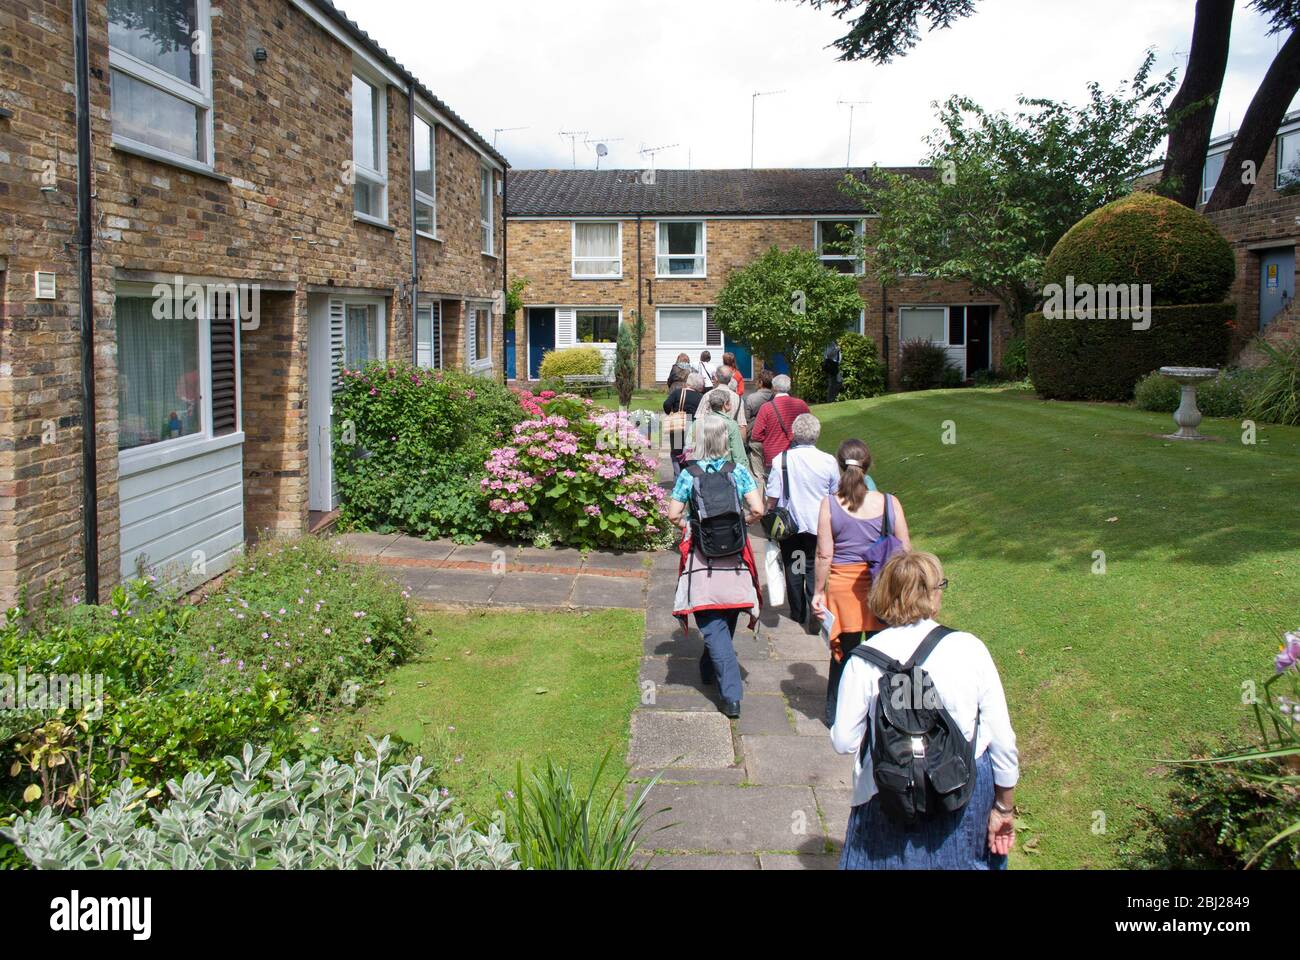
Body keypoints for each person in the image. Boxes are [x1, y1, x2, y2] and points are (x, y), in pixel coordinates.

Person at [831, 551, 1019, 870]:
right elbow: (1002, 739)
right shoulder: (969, 648)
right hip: (961, 789)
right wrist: (1004, 807)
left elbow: (844, 741)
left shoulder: (862, 661)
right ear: (933, 594)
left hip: (888, 793)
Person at [667, 417, 766, 719]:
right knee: (727, 612)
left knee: (711, 619)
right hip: (735, 557)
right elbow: (759, 509)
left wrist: (691, 526)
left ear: (699, 440)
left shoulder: (689, 474)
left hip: (704, 559)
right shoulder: (738, 473)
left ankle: (731, 696)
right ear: (725, 441)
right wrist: (742, 523)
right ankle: (710, 665)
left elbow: (673, 515)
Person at [812, 439, 912, 725]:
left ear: (839, 467)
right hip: (882, 588)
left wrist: (818, 591)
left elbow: (824, 553)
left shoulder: (830, 504)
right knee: (885, 656)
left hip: (844, 591)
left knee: (843, 657)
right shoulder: (890, 502)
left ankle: (837, 717)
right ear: (868, 466)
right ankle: (887, 717)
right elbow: (905, 549)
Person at [765, 414, 839, 632]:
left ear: (795, 434)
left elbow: (772, 495)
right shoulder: (828, 461)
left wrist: (768, 516)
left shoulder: (782, 460)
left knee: (793, 566)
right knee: (815, 565)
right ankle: (815, 608)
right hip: (820, 524)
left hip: (791, 524)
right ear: (817, 434)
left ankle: (798, 612)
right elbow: (835, 493)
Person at [749, 374, 810, 470]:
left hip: (774, 456)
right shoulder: (801, 405)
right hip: (799, 456)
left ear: (774, 388)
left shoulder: (766, 408)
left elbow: (756, 435)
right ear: (789, 387)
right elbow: (810, 428)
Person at [689, 388, 748, 467]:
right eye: (730, 402)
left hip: (701, 470)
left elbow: (689, 451)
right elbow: (739, 456)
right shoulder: (731, 425)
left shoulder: (697, 423)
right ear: (725, 404)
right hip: (724, 471)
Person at [663, 371, 704, 478]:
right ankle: (689, 478)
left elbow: (666, 404)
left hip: (678, 425)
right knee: (690, 453)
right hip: (693, 426)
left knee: (676, 453)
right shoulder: (701, 397)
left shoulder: (678, 393)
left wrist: (671, 412)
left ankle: (678, 478)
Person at [742, 369, 775, 485]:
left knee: (758, 474)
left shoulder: (751, 398)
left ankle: (762, 498)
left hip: (755, 439)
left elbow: (745, 420)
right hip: (772, 438)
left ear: (760, 382)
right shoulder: (775, 398)